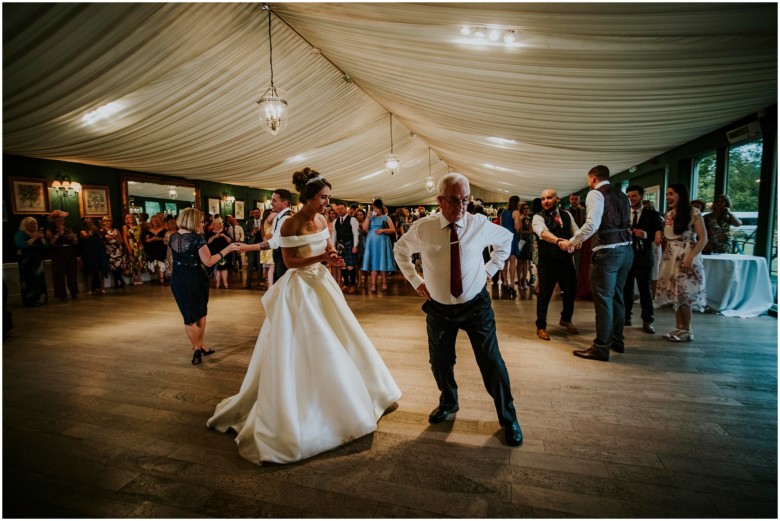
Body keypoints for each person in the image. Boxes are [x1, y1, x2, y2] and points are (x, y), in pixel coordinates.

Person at [208, 168, 401, 465]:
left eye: (328, 197)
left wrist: (332, 255)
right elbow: (290, 261)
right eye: (323, 197)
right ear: (309, 197)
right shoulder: (289, 225)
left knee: (342, 333)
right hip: (300, 286)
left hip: (322, 282)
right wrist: (321, 258)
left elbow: (327, 245)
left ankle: (360, 391)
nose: (327, 202)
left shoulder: (323, 219)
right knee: (311, 339)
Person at [393, 172, 523, 447]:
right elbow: (400, 250)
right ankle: (449, 402)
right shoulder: (424, 228)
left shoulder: (479, 224)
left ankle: (508, 418)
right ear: (440, 200)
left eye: (465, 200)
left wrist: (490, 269)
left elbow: (506, 240)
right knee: (440, 362)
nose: (461, 206)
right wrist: (416, 281)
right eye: (455, 200)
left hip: (476, 306)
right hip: (439, 309)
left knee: (491, 362)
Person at [561, 165, 632, 362]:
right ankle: (617, 341)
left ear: (592, 178)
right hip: (627, 250)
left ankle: (601, 347)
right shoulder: (622, 195)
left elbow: (592, 224)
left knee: (604, 300)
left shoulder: (595, 194)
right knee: (617, 297)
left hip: (608, 252)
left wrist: (572, 242)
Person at [169, 208, 240, 365]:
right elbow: (208, 262)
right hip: (195, 279)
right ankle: (198, 346)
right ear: (193, 221)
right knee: (201, 312)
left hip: (178, 279)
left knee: (188, 317)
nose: (203, 224)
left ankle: (197, 347)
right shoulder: (197, 238)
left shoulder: (172, 237)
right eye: (201, 221)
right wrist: (228, 249)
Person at [654, 184, 708, 342]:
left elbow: (703, 238)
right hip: (670, 255)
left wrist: (691, 256)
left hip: (685, 254)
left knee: (684, 292)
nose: (668, 197)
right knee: (675, 292)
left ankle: (688, 329)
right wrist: (659, 234)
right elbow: (670, 235)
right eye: (667, 194)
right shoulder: (669, 214)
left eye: (671, 194)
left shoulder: (694, 213)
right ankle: (679, 326)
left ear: (680, 195)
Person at [532, 189, 580, 341]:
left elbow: (576, 231)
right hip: (548, 261)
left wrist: (577, 242)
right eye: (543, 199)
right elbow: (544, 233)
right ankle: (541, 326)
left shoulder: (567, 215)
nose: (545, 201)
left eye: (549, 198)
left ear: (557, 199)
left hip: (566, 260)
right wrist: (559, 241)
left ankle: (566, 319)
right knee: (545, 294)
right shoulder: (538, 217)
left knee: (571, 291)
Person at [624, 185, 664, 334]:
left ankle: (648, 320)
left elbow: (658, 234)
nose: (631, 199)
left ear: (641, 196)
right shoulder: (623, 213)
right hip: (626, 256)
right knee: (626, 288)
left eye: (634, 196)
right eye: (628, 196)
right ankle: (626, 316)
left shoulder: (652, 214)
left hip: (644, 257)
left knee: (644, 290)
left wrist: (645, 234)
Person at [246, 188, 293, 282]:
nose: (271, 203)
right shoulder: (278, 218)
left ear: (284, 203)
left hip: (285, 261)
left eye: (274, 200)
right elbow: (271, 236)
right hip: (279, 259)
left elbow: (275, 243)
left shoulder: (286, 218)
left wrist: (247, 247)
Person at [361, 198, 396, 293]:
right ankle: (373, 285)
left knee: (382, 262)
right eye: (374, 208)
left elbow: (393, 230)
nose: (375, 210)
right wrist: (367, 217)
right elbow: (364, 229)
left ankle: (384, 283)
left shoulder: (386, 218)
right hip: (371, 242)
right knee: (373, 263)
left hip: (382, 242)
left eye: (377, 208)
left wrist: (383, 230)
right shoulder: (370, 218)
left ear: (381, 208)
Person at [14, 216, 48, 307]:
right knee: (30, 280)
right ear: (24, 225)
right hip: (26, 261)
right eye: (30, 224)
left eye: (34, 224)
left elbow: (46, 247)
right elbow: (21, 245)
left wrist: (42, 239)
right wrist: (33, 239)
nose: (33, 225)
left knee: (39, 280)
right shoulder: (20, 234)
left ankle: (41, 299)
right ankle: (30, 301)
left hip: (38, 260)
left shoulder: (38, 234)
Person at [45, 210, 79, 299]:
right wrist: (59, 233)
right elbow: (51, 242)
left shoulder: (68, 230)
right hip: (57, 253)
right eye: (58, 221)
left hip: (69, 252)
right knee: (58, 274)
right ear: (54, 221)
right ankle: (61, 294)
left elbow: (75, 242)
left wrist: (74, 238)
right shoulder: (50, 230)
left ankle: (74, 292)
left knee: (72, 273)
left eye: (62, 220)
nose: (60, 222)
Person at [79, 218, 109, 295]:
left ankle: (102, 287)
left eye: (91, 222)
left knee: (100, 270)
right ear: (85, 224)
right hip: (89, 252)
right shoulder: (83, 231)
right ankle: (89, 289)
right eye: (88, 222)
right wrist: (92, 231)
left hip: (99, 251)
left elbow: (103, 237)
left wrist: (99, 229)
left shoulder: (97, 231)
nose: (90, 223)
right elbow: (86, 237)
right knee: (90, 271)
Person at [334, 203, 359, 294]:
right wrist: (333, 246)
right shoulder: (335, 221)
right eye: (338, 209)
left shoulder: (352, 219)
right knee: (343, 266)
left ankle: (353, 285)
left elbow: (355, 234)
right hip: (340, 246)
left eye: (342, 208)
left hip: (349, 245)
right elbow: (334, 235)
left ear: (346, 209)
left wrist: (355, 246)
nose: (340, 210)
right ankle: (346, 284)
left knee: (350, 266)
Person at [499, 196, 520, 299]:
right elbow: (517, 226)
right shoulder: (516, 212)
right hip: (512, 236)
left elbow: (501, 225)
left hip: (503, 237)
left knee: (504, 261)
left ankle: (505, 282)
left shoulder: (503, 212)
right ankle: (512, 283)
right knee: (512, 261)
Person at [100, 216, 127, 289]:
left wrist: (115, 238)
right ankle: (120, 281)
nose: (108, 223)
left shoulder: (116, 230)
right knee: (112, 267)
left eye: (110, 221)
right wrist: (107, 239)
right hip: (108, 250)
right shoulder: (101, 231)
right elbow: (101, 242)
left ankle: (117, 282)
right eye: (106, 221)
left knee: (117, 266)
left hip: (117, 249)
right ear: (103, 222)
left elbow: (121, 241)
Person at [207, 217, 233, 289]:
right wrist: (214, 237)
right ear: (213, 225)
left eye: (219, 224)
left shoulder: (224, 232)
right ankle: (217, 284)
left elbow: (230, 241)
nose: (217, 226)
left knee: (224, 268)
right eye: (216, 224)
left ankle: (225, 283)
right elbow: (207, 242)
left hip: (224, 253)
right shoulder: (210, 233)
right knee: (217, 269)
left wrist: (224, 236)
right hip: (214, 253)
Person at [143, 214, 167, 284]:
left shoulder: (164, 229)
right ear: (151, 222)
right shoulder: (148, 231)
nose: (155, 222)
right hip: (152, 248)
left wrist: (160, 238)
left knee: (161, 262)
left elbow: (166, 238)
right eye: (153, 220)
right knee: (155, 263)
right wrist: (153, 239)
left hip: (162, 248)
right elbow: (146, 240)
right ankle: (159, 277)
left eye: (156, 220)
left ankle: (162, 278)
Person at [242, 207, 264, 288]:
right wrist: (252, 233)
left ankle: (259, 281)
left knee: (260, 264)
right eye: (254, 212)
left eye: (257, 212)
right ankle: (248, 282)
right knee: (250, 263)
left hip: (261, 244)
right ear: (252, 214)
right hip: (251, 245)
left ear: (260, 213)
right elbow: (245, 232)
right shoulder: (249, 222)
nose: (256, 214)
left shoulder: (263, 222)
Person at [122, 213, 145, 285]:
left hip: (139, 245)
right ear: (126, 219)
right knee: (132, 261)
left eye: (132, 217)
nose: (130, 219)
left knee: (139, 262)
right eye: (128, 217)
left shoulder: (138, 226)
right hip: (131, 244)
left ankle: (139, 277)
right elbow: (125, 239)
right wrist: (129, 249)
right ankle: (134, 278)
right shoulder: (125, 227)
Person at [516, 202, 534, 293]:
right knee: (519, 261)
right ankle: (519, 281)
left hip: (528, 242)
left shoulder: (530, 219)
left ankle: (524, 281)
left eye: (527, 208)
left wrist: (526, 230)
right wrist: (520, 220)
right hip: (520, 241)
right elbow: (518, 231)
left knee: (526, 262)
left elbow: (531, 231)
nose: (526, 210)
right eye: (524, 208)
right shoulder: (518, 218)